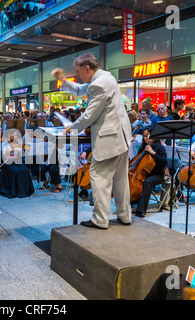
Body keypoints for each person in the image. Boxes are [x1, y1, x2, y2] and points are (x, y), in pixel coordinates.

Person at [52, 52, 132, 229]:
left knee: (98, 175)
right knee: (120, 179)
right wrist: (63, 80)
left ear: (87, 68)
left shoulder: (99, 84)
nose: (78, 76)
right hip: (122, 136)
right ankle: (124, 215)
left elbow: (89, 115)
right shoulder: (105, 77)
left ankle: (100, 219)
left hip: (110, 138)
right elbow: (81, 90)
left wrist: (71, 129)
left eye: (79, 72)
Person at [132, 126, 167, 217]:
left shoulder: (160, 148)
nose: (145, 138)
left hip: (158, 175)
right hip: (145, 173)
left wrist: (153, 153)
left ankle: (141, 210)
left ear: (153, 135)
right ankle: (131, 202)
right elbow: (137, 159)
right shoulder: (143, 147)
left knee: (147, 182)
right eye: (144, 136)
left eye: (147, 136)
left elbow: (164, 162)